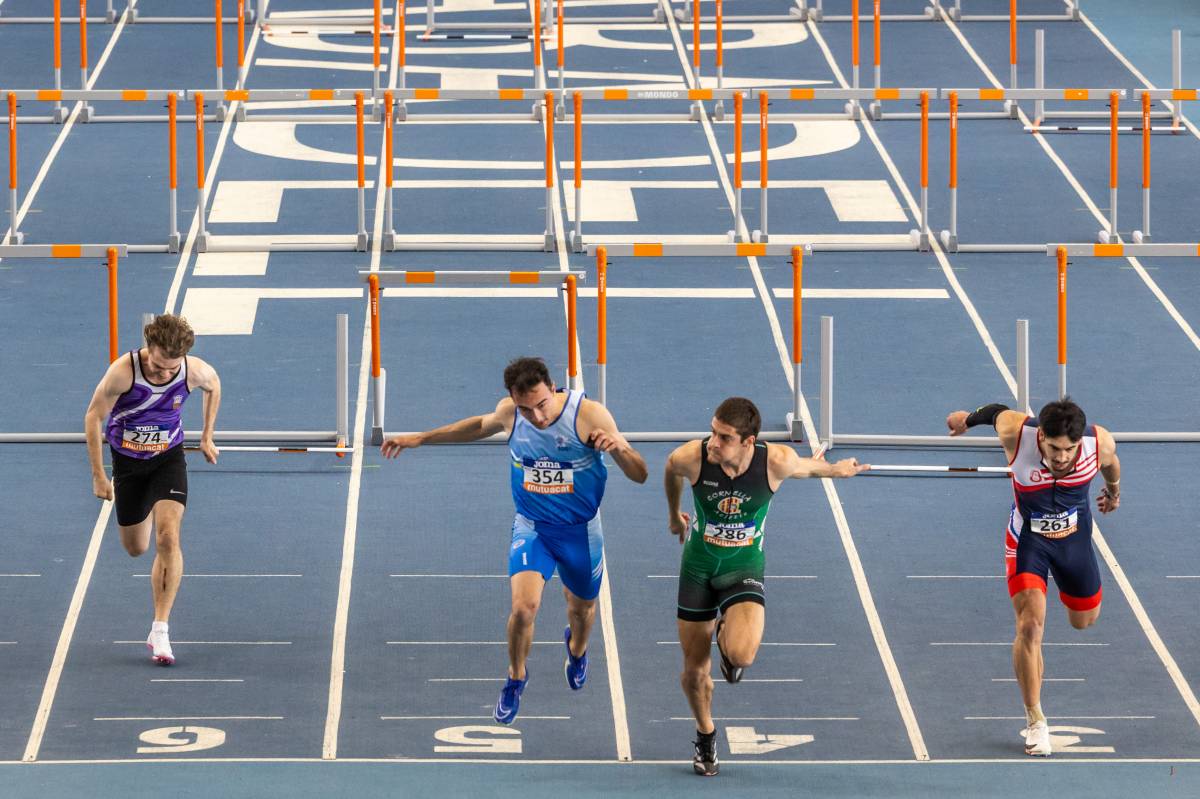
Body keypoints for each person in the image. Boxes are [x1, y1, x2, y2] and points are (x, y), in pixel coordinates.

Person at [381, 357, 647, 725]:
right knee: (524, 608)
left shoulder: (591, 416)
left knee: (582, 610)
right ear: (512, 399)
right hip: (533, 527)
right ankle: (516, 676)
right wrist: (422, 438)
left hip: (580, 532)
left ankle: (578, 649)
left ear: (553, 387)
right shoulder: (511, 413)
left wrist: (619, 448)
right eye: (526, 408)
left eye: (541, 404)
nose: (536, 416)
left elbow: (641, 475)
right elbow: (476, 426)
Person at [663, 397, 868, 776]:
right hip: (697, 569)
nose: (713, 442)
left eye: (723, 437)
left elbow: (806, 468)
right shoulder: (692, 457)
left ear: (748, 441)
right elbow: (670, 470)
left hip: (743, 567)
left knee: (741, 656)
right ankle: (706, 735)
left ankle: (726, 630)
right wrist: (675, 514)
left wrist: (837, 470)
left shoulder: (773, 461)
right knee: (694, 672)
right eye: (712, 432)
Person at [946, 398, 1120, 757]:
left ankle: (1062, 588)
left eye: (1068, 450)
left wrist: (1114, 492)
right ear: (1041, 436)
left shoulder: (1099, 442)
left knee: (1083, 622)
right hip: (1029, 542)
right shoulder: (1017, 433)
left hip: (1074, 540)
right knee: (1030, 626)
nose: (1061, 457)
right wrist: (967, 419)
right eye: (1054, 448)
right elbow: (995, 412)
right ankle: (1035, 720)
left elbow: (1112, 464)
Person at [85, 314, 221, 666]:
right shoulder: (123, 371)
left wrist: (206, 435)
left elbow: (214, 386)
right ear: (149, 350)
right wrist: (99, 475)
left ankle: (160, 627)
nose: (163, 374)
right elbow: (93, 416)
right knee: (136, 548)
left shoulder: (193, 370)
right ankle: (145, 510)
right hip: (128, 464)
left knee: (168, 538)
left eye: (169, 369)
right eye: (159, 366)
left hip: (167, 459)